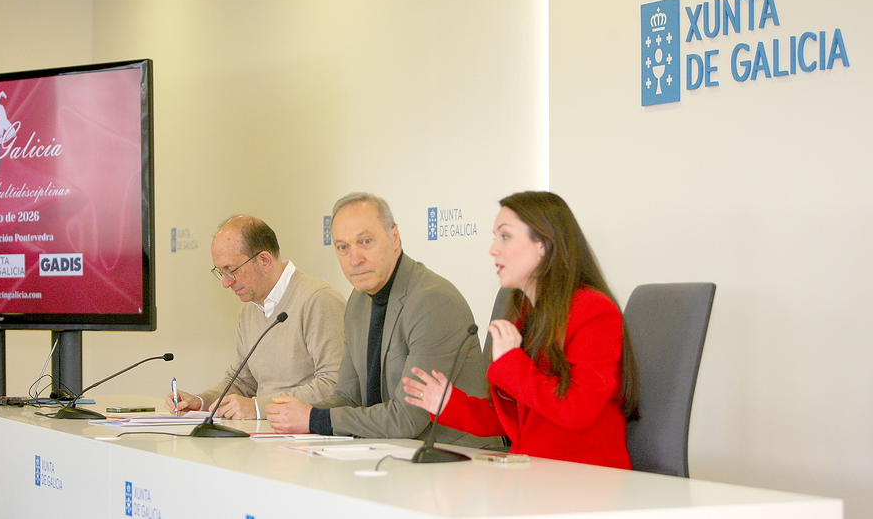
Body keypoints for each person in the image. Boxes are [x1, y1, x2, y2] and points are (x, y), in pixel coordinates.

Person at [402, 191, 640, 469]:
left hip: (585, 479)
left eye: (505, 236)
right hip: (533, 473)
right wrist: (448, 403)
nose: (493, 249)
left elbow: (577, 411)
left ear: (542, 243)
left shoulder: (594, 311)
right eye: (495, 237)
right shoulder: (523, 314)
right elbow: (516, 416)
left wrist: (512, 362)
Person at [267, 193, 496, 449]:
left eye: (365, 242)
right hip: (389, 451)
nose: (355, 259)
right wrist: (295, 415)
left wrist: (314, 418)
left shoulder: (433, 301)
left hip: (454, 457)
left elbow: (407, 419)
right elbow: (347, 397)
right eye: (343, 247)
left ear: (394, 237)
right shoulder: (358, 300)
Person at [166, 216, 346, 419]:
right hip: (265, 432)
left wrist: (259, 408)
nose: (226, 283)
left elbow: (335, 384)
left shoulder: (318, 299)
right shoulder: (249, 311)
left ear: (264, 260)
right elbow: (243, 382)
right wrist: (200, 402)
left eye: (231, 270)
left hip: (309, 437)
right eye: (221, 272)